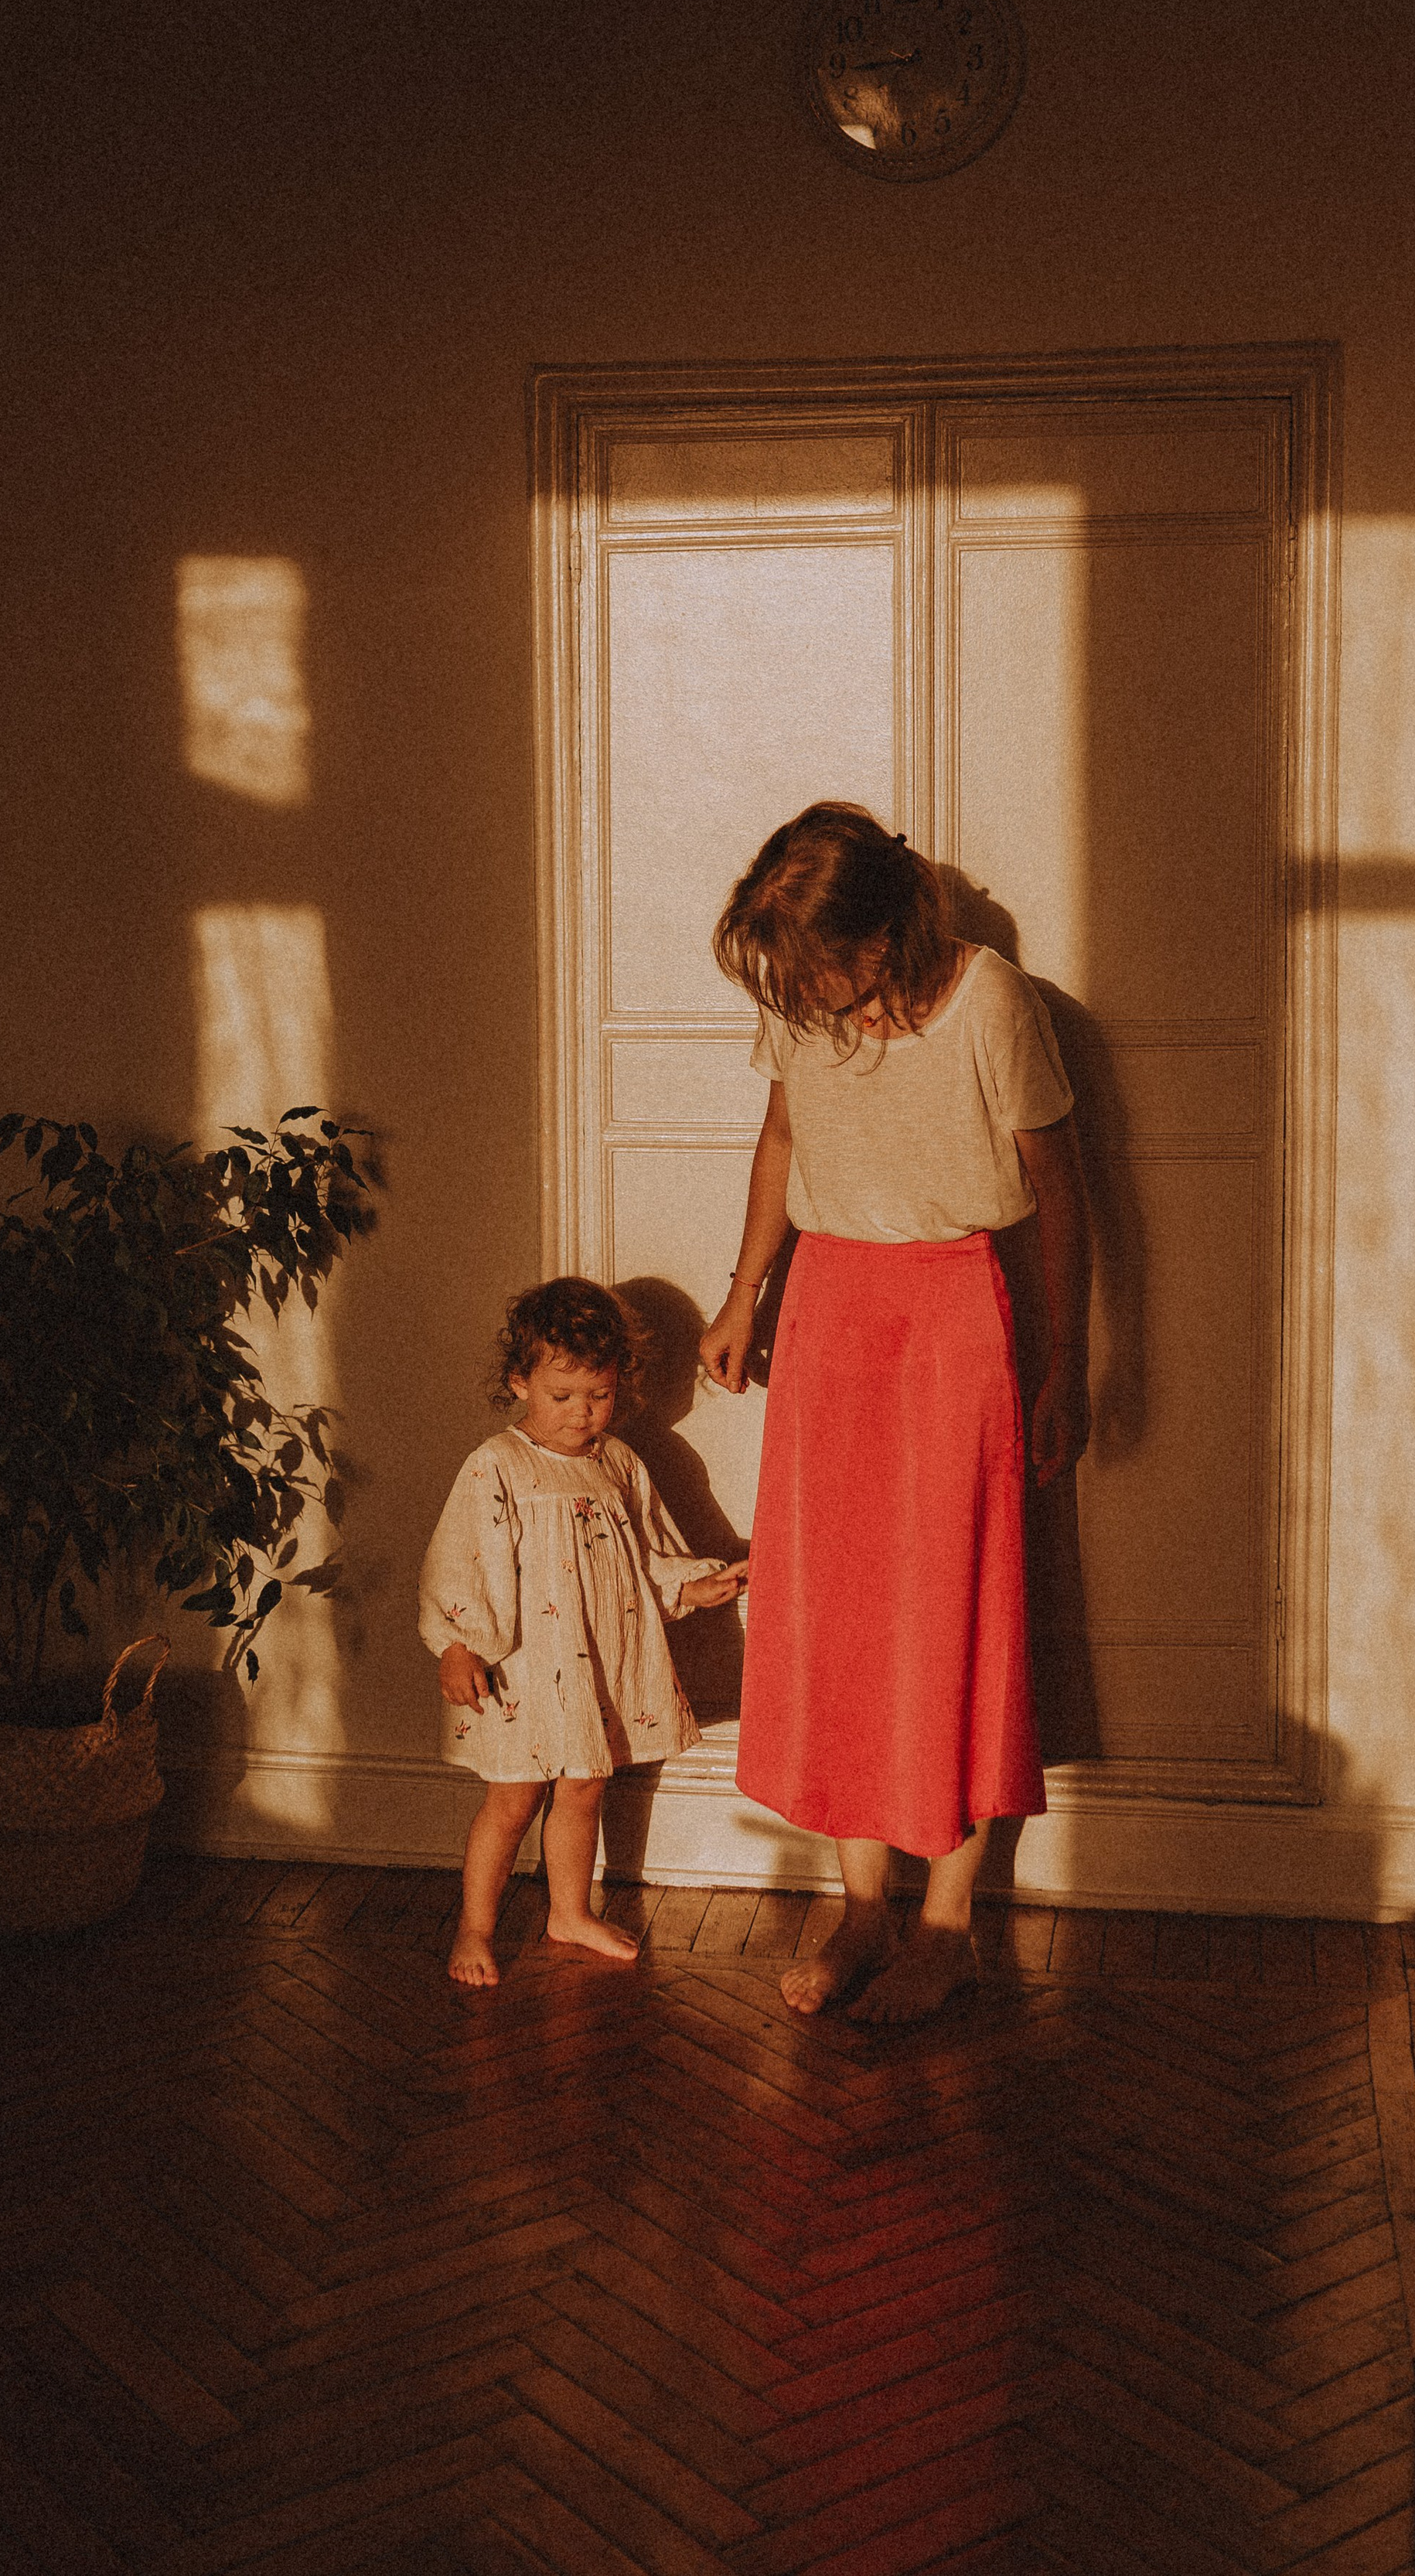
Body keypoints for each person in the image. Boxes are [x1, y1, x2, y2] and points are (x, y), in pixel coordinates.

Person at [699, 802, 1091, 2021]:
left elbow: (1061, 1189)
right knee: (840, 1615)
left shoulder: (992, 1003)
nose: (798, 991)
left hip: (952, 1310)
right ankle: (863, 1908)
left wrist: (1067, 1363)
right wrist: (744, 1294)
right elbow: (781, 1137)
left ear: (882, 931)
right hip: (829, 1309)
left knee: (949, 1610)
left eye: (817, 966)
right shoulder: (799, 993)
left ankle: (946, 1925)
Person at [420, 1275, 746, 1986]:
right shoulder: (497, 1466)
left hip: (597, 1662)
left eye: (597, 1395)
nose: (581, 1413)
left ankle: (569, 1911)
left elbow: (645, 1558)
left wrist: (694, 1586)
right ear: (520, 1382)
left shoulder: (618, 1463)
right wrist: (456, 1644)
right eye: (562, 1396)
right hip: (522, 1670)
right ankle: (475, 1928)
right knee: (513, 1800)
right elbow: (460, 1561)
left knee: (585, 1786)